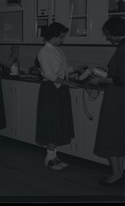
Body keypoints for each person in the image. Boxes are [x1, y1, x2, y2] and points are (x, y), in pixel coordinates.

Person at [88, 17, 125, 186]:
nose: (107, 37)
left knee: (110, 134)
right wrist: (107, 71)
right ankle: (120, 172)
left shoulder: (122, 49)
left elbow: (119, 80)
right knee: (118, 135)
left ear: (114, 32)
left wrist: (99, 80)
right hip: (122, 96)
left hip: (115, 97)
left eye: (107, 33)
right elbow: (121, 73)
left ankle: (116, 174)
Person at [35, 22, 86, 170]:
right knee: (53, 123)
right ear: (53, 36)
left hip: (60, 89)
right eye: (61, 37)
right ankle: (49, 158)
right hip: (51, 90)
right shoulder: (44, 52)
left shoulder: (57, 50)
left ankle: (54, 156)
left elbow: (62, 69)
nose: (62, 39)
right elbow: (50, 75)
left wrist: (76, 68)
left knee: (60, 123)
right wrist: (68, 83)